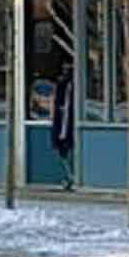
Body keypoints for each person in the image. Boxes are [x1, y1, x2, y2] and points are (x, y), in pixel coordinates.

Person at [49, 57, 77, 191]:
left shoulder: (72, 85)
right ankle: (70, 175)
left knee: (67, 147)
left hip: (67, 124)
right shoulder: (63, 85)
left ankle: (71, 176)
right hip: (63, 123)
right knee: (63, 149)